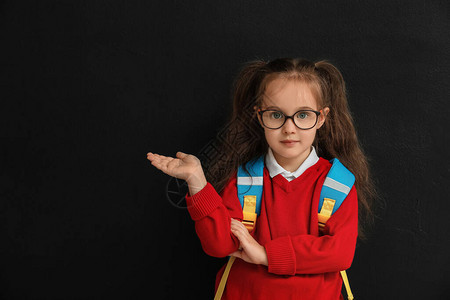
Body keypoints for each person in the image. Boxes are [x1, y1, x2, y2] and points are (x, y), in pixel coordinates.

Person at [147, 57, 376, 299]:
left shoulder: (337, 184)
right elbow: (220, 245)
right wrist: (197, 181)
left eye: (303, 115)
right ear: (259, 116)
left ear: (321, 117)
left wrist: (265, 255)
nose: (289, 128)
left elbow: (339, 253)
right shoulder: (246, 179)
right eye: (276, 115)